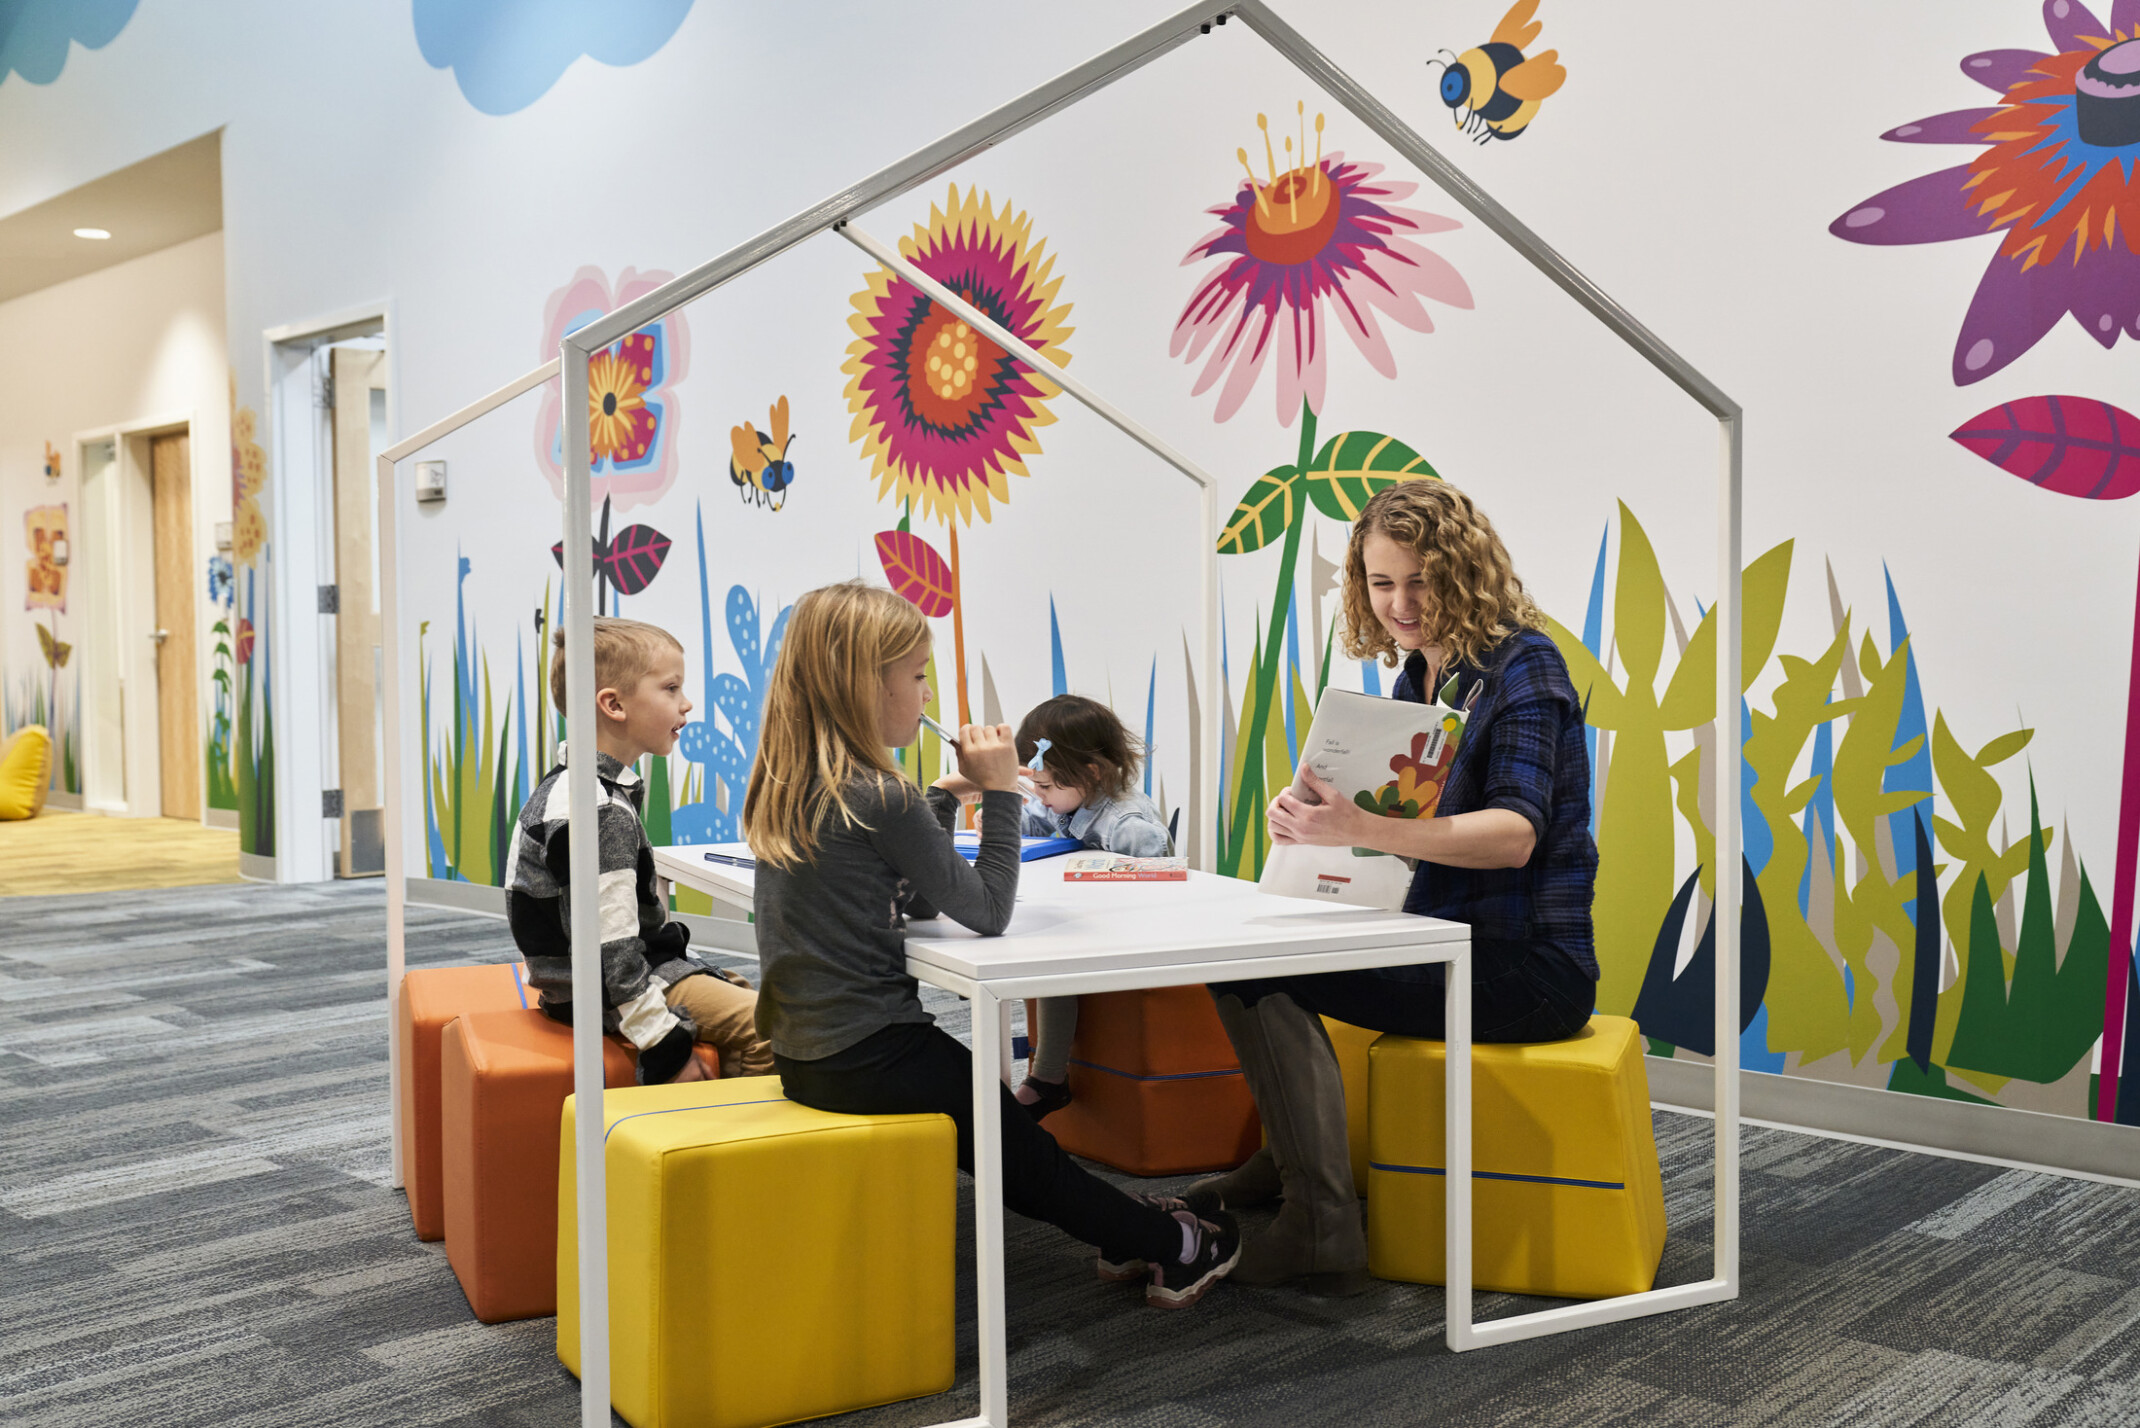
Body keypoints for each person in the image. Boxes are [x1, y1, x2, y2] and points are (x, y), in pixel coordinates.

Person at [744, 581, 1239, 1308]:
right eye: (916, 677)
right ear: (866, 685)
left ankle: (1129, 1225)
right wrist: (1004, 795)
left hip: (805, 1049)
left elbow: (908, 898)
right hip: (874, 1047)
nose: (924, 694)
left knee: (1016, 1140)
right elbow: (986, 910)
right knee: (1028, 1160)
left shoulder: (789, 780)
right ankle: (1177, 1247)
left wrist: (942, 799)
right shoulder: (881, 794)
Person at [1189, 480, 1599, 1295]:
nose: (1401, 604)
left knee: (1258, 971)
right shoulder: (1420, 675)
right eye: (1382, 584)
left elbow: (1515, 837)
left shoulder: (1526, 666)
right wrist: (1309, 820)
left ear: (1465, 570)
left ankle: (1321, 1219)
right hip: (1440, 940)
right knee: (1240, 954)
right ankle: (1292, 1158)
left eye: (1421, 580)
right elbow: (1399, 834)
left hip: (1530, 970)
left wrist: (1359, 828)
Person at [506, 617, 774, 1083]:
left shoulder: (579, 788)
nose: (686, 704)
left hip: (577, 985)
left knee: (743, 991)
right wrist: (663, 1043)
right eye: (670, 689)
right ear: (613, 705)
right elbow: (613, 948)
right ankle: (731, 1140)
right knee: (773, 1024)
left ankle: (723, 1118)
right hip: (597, 993)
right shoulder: (598, 809)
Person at [990, 694, 1172, 1120]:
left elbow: (1160, 862)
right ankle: (1046, 1077)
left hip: (1140, 929)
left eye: (1047, 786)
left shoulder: (1125, 822)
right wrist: (1001, 819)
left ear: (1091, 774)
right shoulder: (1072, 800)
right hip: (1095, 925)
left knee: (1054, 956)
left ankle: (1048, 1078)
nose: (1040, 795)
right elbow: (1037, 820)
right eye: (1035, 785)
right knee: (1047, 947)